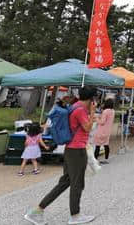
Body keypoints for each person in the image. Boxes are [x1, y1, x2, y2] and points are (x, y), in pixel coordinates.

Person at [24, 86, 97, 225]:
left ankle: (37, 211)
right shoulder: (81, 110)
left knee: (65, 182)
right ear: (91, 99)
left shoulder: (74, 106)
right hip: (77, 151)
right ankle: (75, 216)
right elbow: (87, 127)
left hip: (70, 149)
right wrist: (92, 112)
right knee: (77, 184)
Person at [93, 98, 115, 165]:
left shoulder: (105, 111)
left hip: (101, 130)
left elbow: (102, 122)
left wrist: (96, 119)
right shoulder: (113, 111)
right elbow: (106, 118)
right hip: (108, 130)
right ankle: (106, 159)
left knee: (97, 146)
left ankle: (95, 160)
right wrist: (100, 116)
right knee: (106, 145)